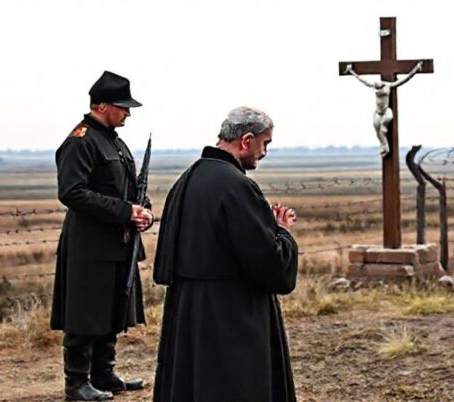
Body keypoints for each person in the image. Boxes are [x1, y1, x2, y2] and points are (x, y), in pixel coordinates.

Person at [153, 106, 299, 402]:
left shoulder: (187, 179)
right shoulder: (238, 186)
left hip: (188, 313)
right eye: (265, 143)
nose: (265, 152)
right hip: (231, 316)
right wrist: (282, 231)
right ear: (246, 140)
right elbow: (269, 264)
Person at [51, 71, 152, 401]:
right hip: (89, 246)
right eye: (122, 107)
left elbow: (132, 189)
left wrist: (143, 211)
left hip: (118, 243)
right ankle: (77, 383)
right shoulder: (80, 140)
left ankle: (103, 374)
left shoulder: (114, 141)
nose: (128, 113)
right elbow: (72, 192)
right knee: (85, 313)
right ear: (101, 105)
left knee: (112, 308)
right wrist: (125, 212)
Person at [344, 61, 423, 157]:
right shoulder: (374, 85)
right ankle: (383, 146)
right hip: (377, 113)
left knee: (382, 130)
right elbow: (363, 80)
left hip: (386, 112)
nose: (377, 89)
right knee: (377, 133)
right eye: (376, 88)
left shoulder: (389, 86)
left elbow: (404, 80)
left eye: (378, 87)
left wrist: (416, 69)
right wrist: (351, 71)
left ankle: (386, 148)